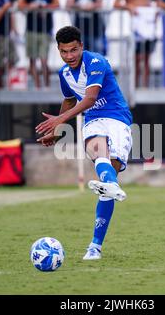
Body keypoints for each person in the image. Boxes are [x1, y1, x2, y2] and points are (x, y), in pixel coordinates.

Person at [35, 26, 133, 260]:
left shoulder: (96, 62)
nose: (69, 56)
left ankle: (96, 244)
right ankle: (94, 248)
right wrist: (58, 131)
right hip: (93, 121)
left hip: (117, 117)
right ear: (58, 51)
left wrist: (60, 120)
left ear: (81, 46)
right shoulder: (64, 74)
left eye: (73, 50)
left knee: (111, 174)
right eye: (63, 52)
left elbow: (89, 99)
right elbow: (70, 100)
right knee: (99, 153)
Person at [114, 0, 160, 88]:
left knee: (147, 58)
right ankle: (135, 87)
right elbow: (116, 4)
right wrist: (129, 6)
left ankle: (145, 86)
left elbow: (157, 0)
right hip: (136, 25)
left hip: (149, 23)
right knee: (137, 58)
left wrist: (155, 10)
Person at [18, 0, 60, 89]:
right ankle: (37, 86)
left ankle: (46, 86)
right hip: (31, 31)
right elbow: (20, 5)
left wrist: (44, 7)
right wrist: (30, 7)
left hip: (45, 31)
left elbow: (57, 4)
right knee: (32, 60)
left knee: (44, 60)